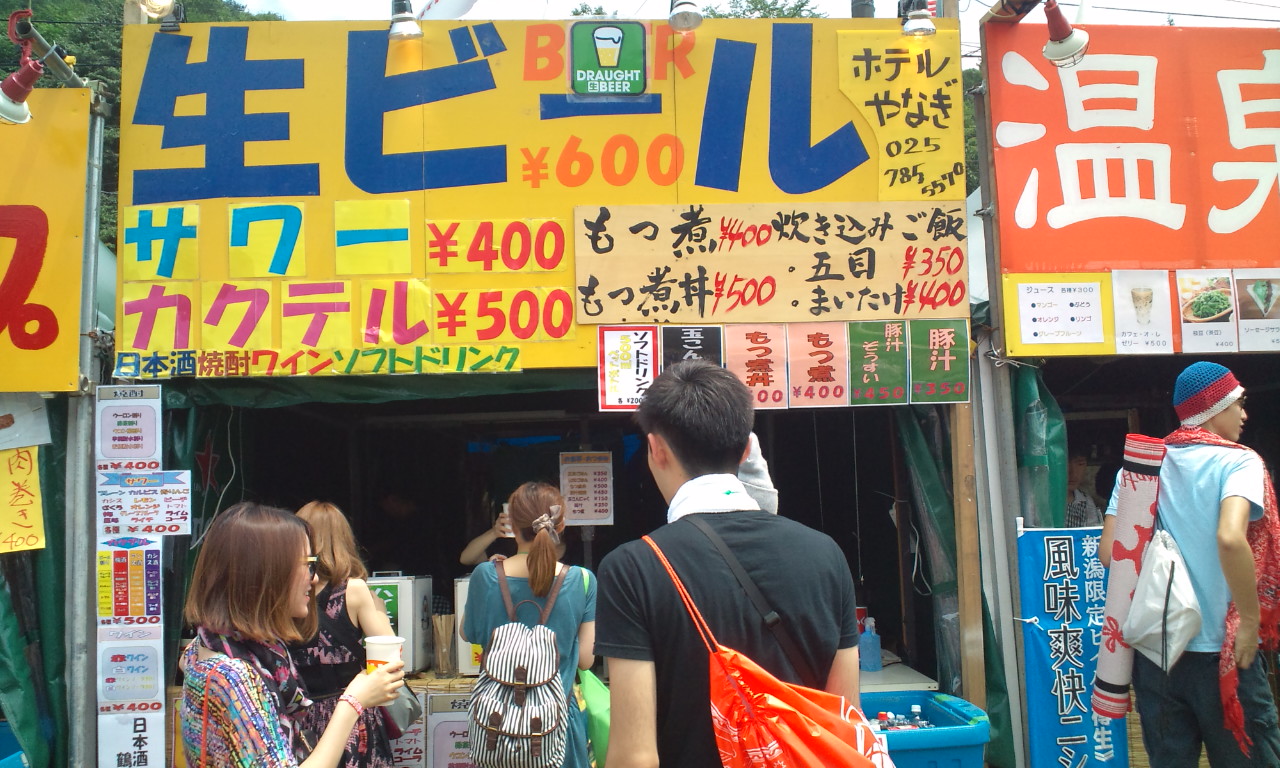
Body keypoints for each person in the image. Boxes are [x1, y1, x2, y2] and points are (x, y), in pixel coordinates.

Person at [595, 360, 860, 768]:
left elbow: (635, 756)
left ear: (655, 449)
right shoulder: (827, 555)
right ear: (744, 450)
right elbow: (844, 724)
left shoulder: (632, 568)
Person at [1100, 362, 1280, 765]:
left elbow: (1112, 552)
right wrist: (1250, 622)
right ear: (1215, 408)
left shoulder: (1140, 467)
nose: (1245, 414)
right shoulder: (1238, 463)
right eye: (1239, 403)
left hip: (1157, 656)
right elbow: (1231, 537)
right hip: (1225, 656)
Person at [181, 502, 405, 767]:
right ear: (264, 573)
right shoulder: (235, 676)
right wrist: (353, 702)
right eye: (307, 563)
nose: (313, 578)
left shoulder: (213, 646)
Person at [461, 482, 596, 768]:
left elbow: (467, 632)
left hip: (496, 724)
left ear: (511, 523)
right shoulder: (582, 580)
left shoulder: (485, 575)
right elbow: (585, 660)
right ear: (560, 525)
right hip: (556, 723)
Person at [289, 502, 396, 767]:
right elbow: (390, 656)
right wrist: (380, 611)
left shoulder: (283, 591)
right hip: (351, 713)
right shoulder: (353, 590)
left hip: (299, 718)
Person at [1065, 442, 1102, 527]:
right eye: (1065, 464)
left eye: (1080, 464)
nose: (1073, 473)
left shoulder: (1086, 502)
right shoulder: (1041, 500)